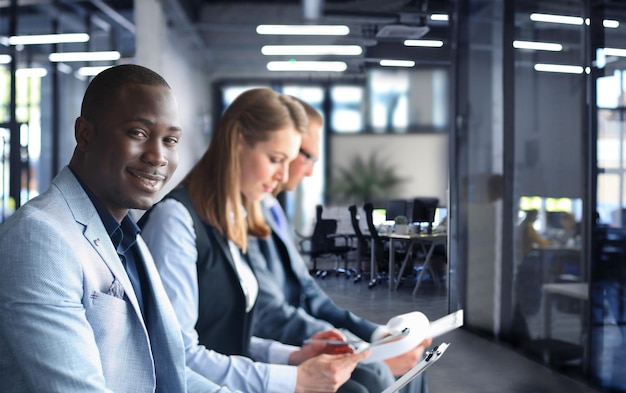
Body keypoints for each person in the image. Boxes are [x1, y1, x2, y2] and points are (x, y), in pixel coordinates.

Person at [0, 64, 230, 392]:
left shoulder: (125, 235)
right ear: (85, 134)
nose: (157, 156)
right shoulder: (39, 236)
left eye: (171, 140)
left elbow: (161, 371)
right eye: (138, 133)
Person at [140, 87, 371, 393]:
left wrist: (291, 356)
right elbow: (177, 357)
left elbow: (226, 335)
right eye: (276, 159)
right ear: (238, 142)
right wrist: (292, 380)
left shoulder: (229, 220)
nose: (282, 176)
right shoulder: (175, 221)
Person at [249, 99, 432, 392]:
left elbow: (311, 294)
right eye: (304, 156)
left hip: (306, 334)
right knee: (375, 377)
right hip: (283, 344)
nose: (307, 171)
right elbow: (269, 314)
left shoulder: (271, 210)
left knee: (414, 365)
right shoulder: (243, 217)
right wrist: (357, 347)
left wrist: (374, 333)